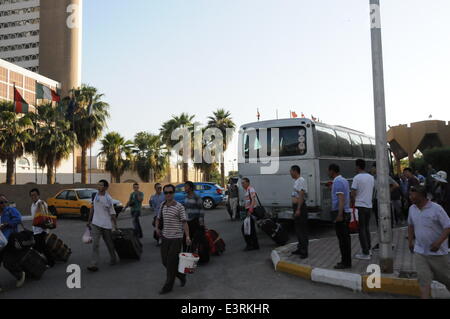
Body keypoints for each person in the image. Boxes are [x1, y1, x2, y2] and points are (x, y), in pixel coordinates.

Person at [407, 185, 450, 299]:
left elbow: (448, 227)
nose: (410, 196)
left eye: (412, 194)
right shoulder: (412, 209)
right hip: (420, 252)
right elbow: (410, 225)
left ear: (421, 195)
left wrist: (438, 243)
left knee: (447, 279)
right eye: (410, 194)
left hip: (438, 254)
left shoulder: (437, 209)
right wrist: (410, 241)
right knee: (423, 280)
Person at [155, 184, 191, 295]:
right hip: (165, 237)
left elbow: (184, 223)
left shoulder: (179, 206)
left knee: (171, 262)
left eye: (170, 192)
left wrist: (188, 236)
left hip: (176, 238)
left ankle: (168, 286)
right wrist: (157, 228)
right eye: (166, 192)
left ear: (173, 193)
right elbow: (158, 218)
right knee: (165, 261)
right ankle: (180, 275)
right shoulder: (162, 205)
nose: (168, 194)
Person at [87, 180, 119, 272]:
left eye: (101, 185)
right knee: (95, 244)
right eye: (98, 184)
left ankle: (113, 258)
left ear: (105, 187)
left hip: (106, 225)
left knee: (109, 243)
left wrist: (115, 225)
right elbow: (92, 208)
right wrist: (88, 221)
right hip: (96, 224)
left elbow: (112, 213)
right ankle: (93, 264)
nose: (99, 186)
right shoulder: (95, 195)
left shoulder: (108, 198)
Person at [328, 164, 352, 269]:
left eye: (329, 171)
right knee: (345, 239)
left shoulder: (337, 182)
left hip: (340, 213)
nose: (328, 173)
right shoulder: (344, 180)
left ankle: (345, 262)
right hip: (345, 212)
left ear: (332, 171)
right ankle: (346, 261)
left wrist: (339, 215)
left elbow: (341, 199)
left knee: (343, 240)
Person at [0, 194, 26, 291]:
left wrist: (7, 224)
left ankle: (20, 275)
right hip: (0, 242)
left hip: (10, 240)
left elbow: (18, 219)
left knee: (7, 262)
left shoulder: (10, 210)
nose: (3, 204)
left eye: (5, 202)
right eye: (1, 202)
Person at [351, 159, 375, 260]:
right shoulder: (371, 177)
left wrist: (353, 202)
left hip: (360, 206)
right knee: (366, 228)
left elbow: (353, 192)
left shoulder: (356, 177)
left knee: (361, 229)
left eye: (355, 166)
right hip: (369, 206)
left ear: (358, 166)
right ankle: (369, 249)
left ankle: (365, 253)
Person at [29, 188, 55, 268]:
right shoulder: (32, 205)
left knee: (43, 247)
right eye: (32, 195)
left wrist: (39, 209)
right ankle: (44, 261)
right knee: (40, 247)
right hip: (35, 229)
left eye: (35, 195)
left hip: (42, 229)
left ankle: (51, 262)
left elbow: (44, 214)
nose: (33, 196)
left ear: (38, 195)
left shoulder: (42, 203)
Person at [290, 165, 308, 259]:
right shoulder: (296, 181)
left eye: (291, 171)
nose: (290, 173)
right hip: (296, 206)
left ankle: (304, 251)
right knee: (297, 229)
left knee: (302, 230)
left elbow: (301, 194)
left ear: (295, 171)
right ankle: (300, 248)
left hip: (300, 207)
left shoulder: (301, 180)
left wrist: (298, 209)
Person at [431, 171, 450, 251]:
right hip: (443, 209)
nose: (435, 180)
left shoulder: (447, 187)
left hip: (447, 209)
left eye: (437, 179)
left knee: (447, 227)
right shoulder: (440, 186)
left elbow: (446, 199)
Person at [183, 181, 205, 250]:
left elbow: (201, 210)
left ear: (191, 188)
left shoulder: (196, 197)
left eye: (186, 186)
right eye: (185, 186)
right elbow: (186, 208)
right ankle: (185, 254)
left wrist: (201, 222)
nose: (185, 188)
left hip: (195, 221)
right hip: (188, 221)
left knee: (195, 240)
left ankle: (194, 255)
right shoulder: (186, 196)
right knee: (185, 239)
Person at [241, 178, 259, 251]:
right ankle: (255, 245)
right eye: (242, 183)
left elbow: (253, 200)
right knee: (251, 229)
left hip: (251, 211)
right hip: (249, 210)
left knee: (245, 228)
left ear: (248, 183)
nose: (242, 184)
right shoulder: (247, 190)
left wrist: (250, 211)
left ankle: (250, 245)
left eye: (244, 183)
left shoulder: (251, 189)